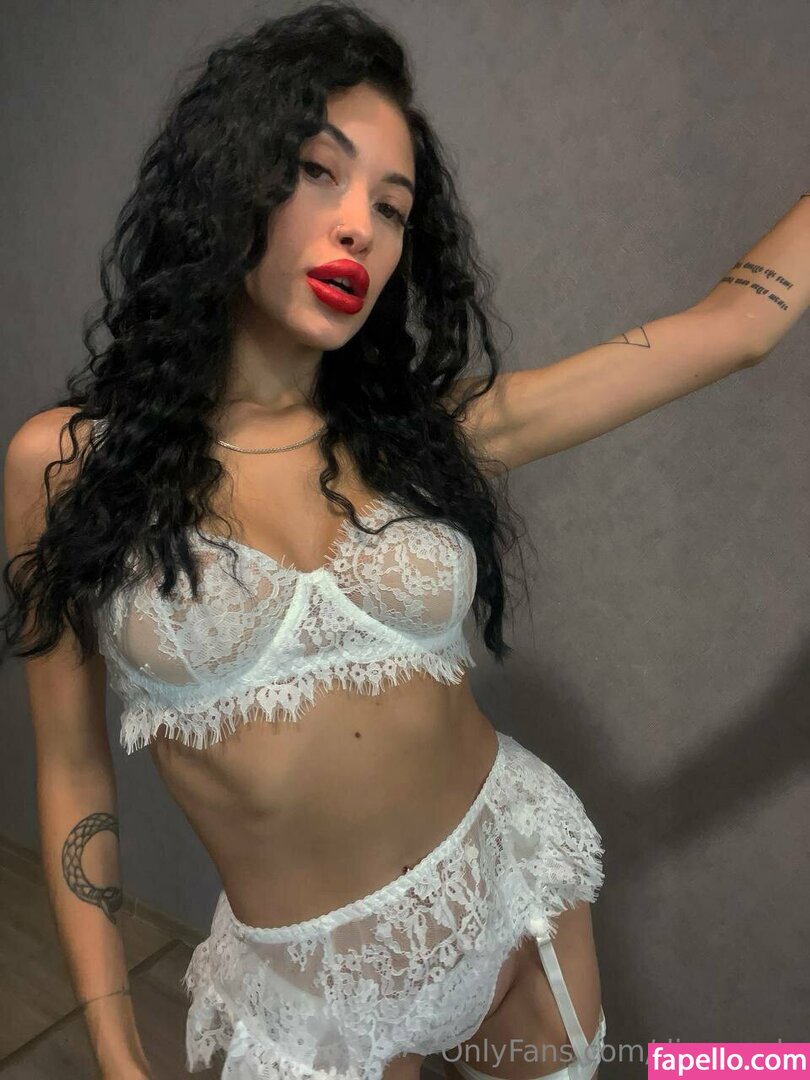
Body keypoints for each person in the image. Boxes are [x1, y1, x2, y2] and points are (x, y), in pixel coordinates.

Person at [3, 3, 805, 1079]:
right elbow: (71, 769)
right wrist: (115, 1051)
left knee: (705, 1067)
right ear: (228, 176)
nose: (360, 230)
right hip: (308, 998)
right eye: (318, 173)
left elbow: (738, 328)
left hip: (508, 893)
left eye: (391, 207)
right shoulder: (66, 468)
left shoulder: (426, 437)